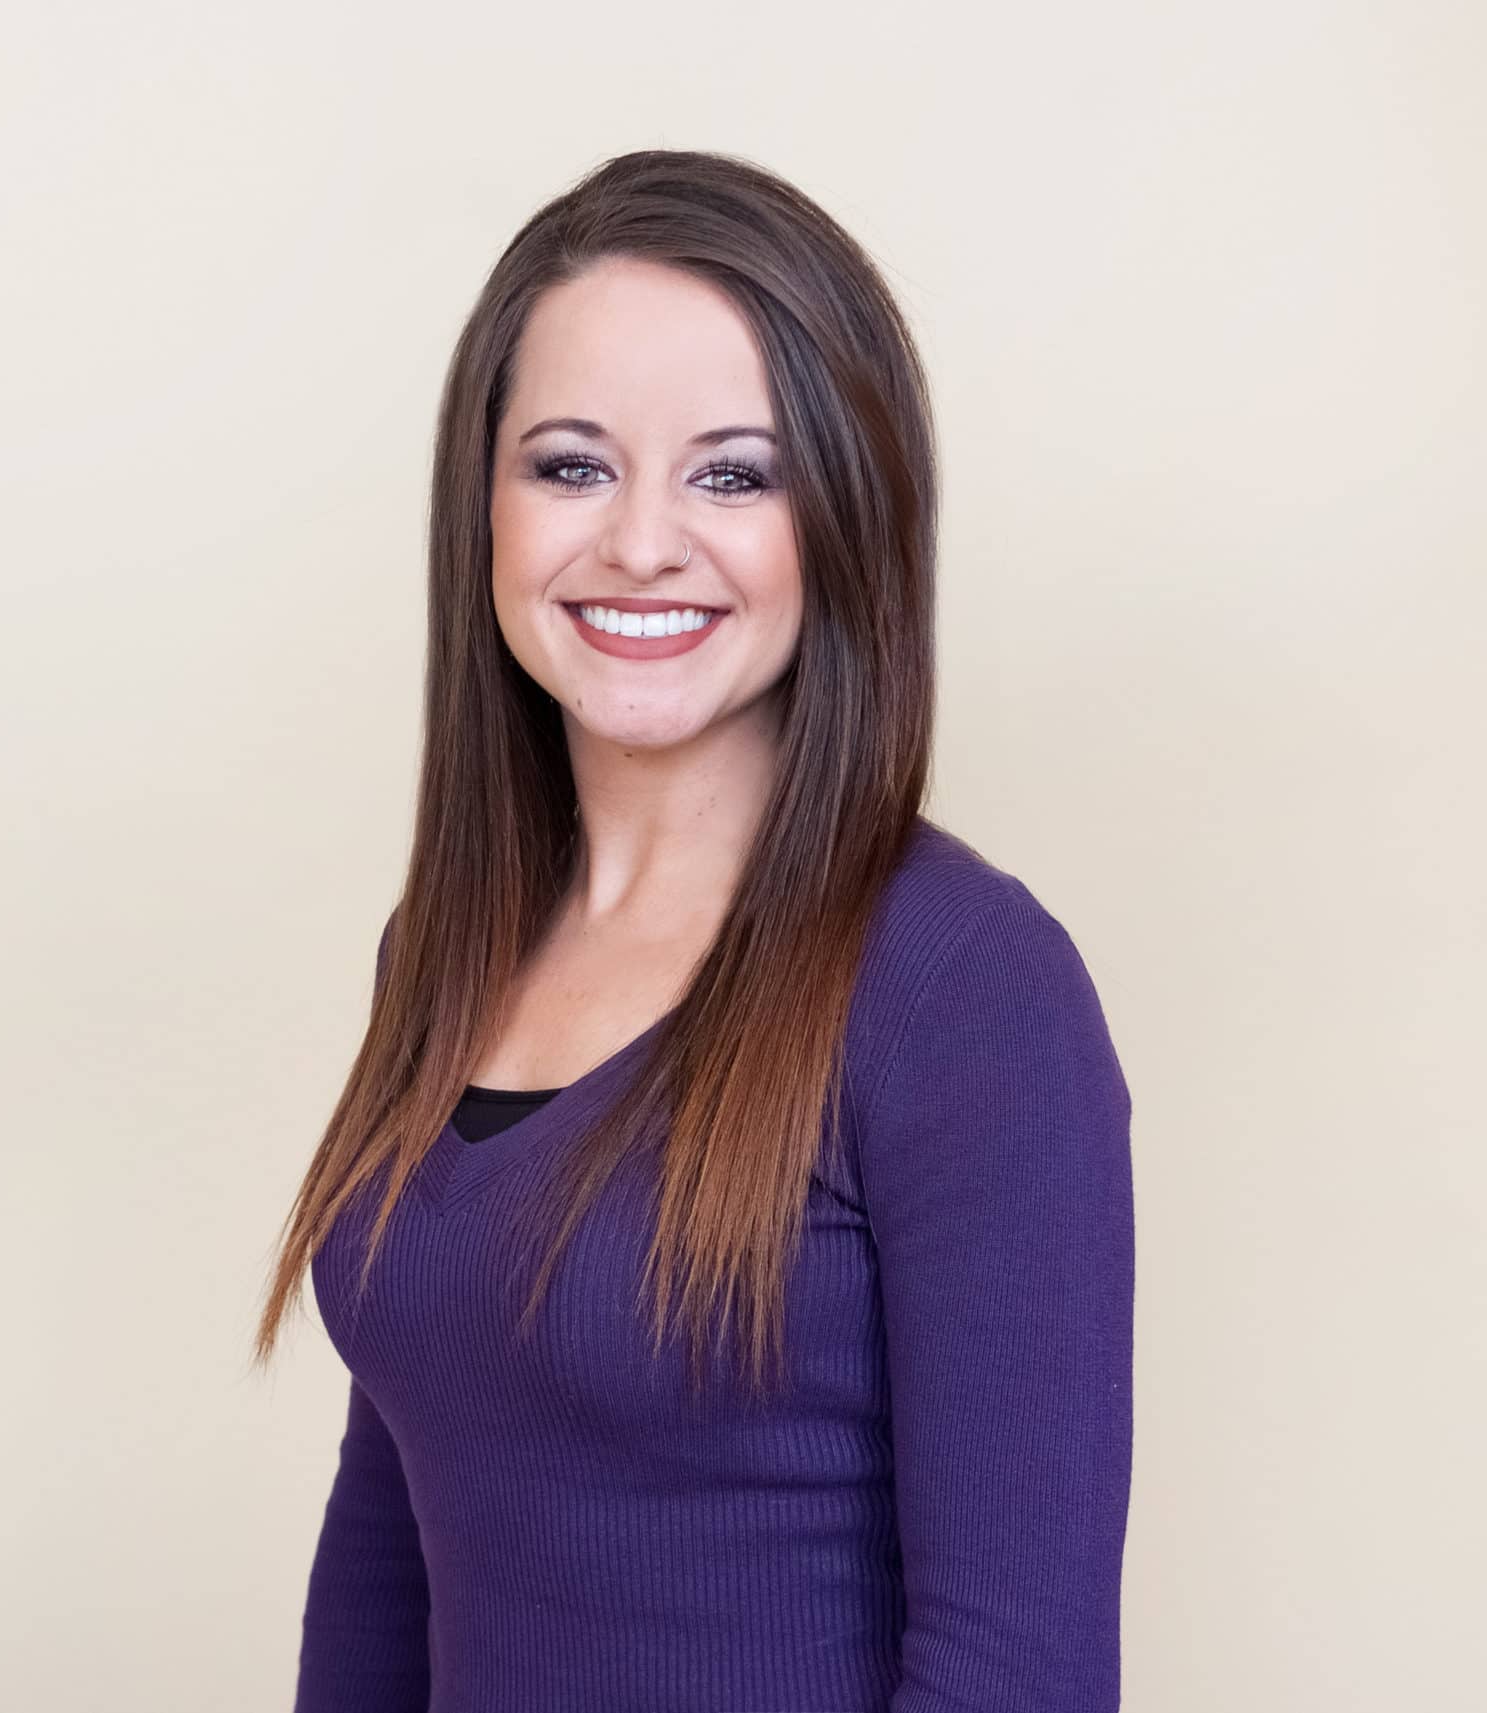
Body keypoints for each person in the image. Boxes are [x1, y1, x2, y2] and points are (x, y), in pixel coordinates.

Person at [248, 148, 1135, 1713]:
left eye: (734, 473)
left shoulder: (964, 989)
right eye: (572, 464)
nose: (642, 542)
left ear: (847, 516)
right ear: (486, 506)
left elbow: (1019, 1673)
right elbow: (390, 1536)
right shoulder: (447, 948)